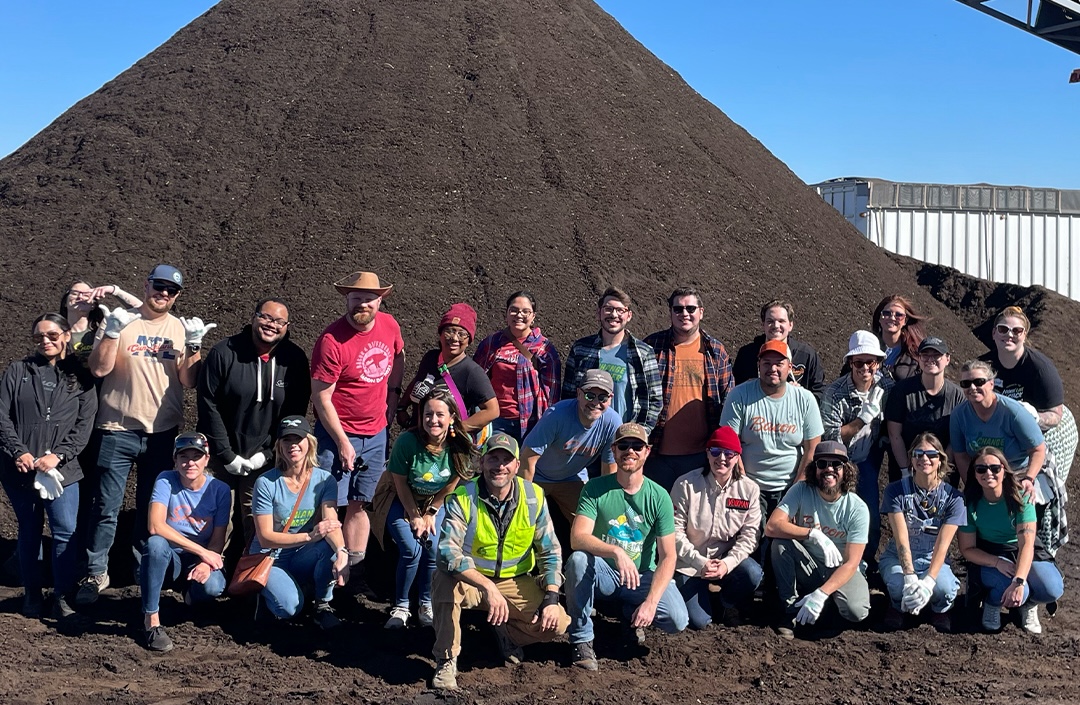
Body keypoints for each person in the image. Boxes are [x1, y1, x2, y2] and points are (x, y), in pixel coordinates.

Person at [78, 264, 215, 605]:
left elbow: (189, 380)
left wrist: (195, 344)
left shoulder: (178, 329)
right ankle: (96, 571)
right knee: (106, 506)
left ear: (177, 295)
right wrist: (111, 333)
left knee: (150, 507)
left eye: (171, 290)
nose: (163, 294)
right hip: (116, 429)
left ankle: (145, 568)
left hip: (161, 433)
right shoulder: (123, 321)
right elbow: (98, 369)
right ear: (146, 284)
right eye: (159, 286)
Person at [430, 433, 569, 691]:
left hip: (514, 582)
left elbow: (550, 551)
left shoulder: (534, 497)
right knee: (442, 579)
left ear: (517, 466)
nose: (500, 466)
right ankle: (447, 659)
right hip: (472, 581)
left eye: (507, 460)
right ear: (481, 462)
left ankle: (504, 632)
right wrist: (488, 587)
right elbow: (447, 552)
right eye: (493, 457)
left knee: (557, 623)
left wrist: (552, 597)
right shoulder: (463, 496)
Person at [565, 423, 688, 671]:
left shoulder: (659, 496)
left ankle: (630, 614)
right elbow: (577, 538)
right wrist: (615, 552)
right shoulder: (595, 489)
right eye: (623, 445)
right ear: (614, 450)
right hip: (606, 573)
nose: (629, 451)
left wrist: (651, 602)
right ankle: (582, 639)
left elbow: (668, 556)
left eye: (637, 446)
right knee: (578, 560)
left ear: (647, 452)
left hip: (641, 577)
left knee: (678, 620)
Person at [310, 271, 405, 589]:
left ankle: (356, 569)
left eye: (368, 299)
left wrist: (392, 397)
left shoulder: (390, 326)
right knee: (329, 503)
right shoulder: (332, 341)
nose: (362, 304)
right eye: (355, 299)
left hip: (375, 432)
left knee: (360, 501)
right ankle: (331, 569)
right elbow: (322, 398)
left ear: (380, 300)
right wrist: (341, 442)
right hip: (337, 433)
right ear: (346, 300)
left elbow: (399, 355)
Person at [0, 313, 96, 618]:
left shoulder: (81, 376)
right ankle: (32, 592)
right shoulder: (18, 371)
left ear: (66, 336)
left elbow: (84, 425)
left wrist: (59, 455)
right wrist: (18, 451)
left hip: (62, 472)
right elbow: (2, 417)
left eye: (52, 335)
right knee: (28, 530)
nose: (46, 341)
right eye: (39, 337)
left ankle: (62, 595)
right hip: (21, 469)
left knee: (65, 530)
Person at [197, 298, 310, 549]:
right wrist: (227, 455)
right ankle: (210, 576)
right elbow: (208, 405)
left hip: (265, 458)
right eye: (266, 317)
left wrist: (267, 454)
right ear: (254, 316)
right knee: (215, 518)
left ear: (287, 326)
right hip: (220, 455)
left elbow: (294, 416)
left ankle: (251, 579)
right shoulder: (224, 352)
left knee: (258, 521)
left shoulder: (294, 360)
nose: (272, 325)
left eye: (279, 321)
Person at [378, 389, 475, 630]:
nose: (433, 420)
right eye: (428, 414)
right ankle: (401, 606)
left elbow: (454, 482)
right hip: (400, 499)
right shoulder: (407, 442)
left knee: (433, 548)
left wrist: (431, 512)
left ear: (452, 417)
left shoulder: (460, 445)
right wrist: (414, 516)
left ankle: (425, 603)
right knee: (411, 549)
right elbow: (399, 482)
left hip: (435, 500)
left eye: (440, 414)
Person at [950, 360, 1067, 555]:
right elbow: (960, 455)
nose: (972, 388)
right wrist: (970, 483)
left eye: (979, 382)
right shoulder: (959, 415)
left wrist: (1029, 479)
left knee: (1024, 523)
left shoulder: (1012, 412)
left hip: (1018, 473)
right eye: (966, 384)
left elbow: (1038, 449)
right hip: (984, 473)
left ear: (991, 383)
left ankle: (1030, 561)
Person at [719, 340, 823, 555]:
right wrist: (745, 484)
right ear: (759, 365)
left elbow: (812, 447)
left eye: (779, 363)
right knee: (751, 542)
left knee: (785, 544)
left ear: (790, 367)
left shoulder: (805, 399)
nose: (772, 369)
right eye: (767, 363)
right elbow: (730, 443)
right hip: (750, 481)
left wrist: (797, 489)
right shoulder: (740, 395)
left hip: (790, 483)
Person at [251, 416, 349, 629]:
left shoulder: (325, 480)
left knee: (329, 546)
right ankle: (267, 593)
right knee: (289, 609)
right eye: (287, 440)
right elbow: (265, 537)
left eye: (298, 439)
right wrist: (308, 536)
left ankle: (322, 605)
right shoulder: (266, 483)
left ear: (310, 443)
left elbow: (330, 522)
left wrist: (343, 552)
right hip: (271, 556)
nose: (293, 445)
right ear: (279, 446)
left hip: (301, 554)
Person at [765, 441, 870, 639]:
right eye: (822, 464)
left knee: (857, 610)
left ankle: (825, 603)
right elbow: (772, 526)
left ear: (845, 470)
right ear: (814, 469)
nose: (829, 469)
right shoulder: (801, 490)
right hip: (809, 564)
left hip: (841, 569)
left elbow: (851, 562)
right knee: (780, 544)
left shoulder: (857, 508)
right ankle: (791, 610)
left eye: (836, 465)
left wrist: (822, 594)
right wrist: (812, 533)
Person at [140, 432, 230, 651]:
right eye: (183, 457)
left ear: (206, 459)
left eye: (196, 456)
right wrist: (203, 551)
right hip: (170, 557)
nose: (190, 462)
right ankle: (151, 619)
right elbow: (155, 526)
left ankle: (191, 595)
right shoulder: (166, 479)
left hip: (197, 559)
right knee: (155, 544)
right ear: (175, 460)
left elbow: (218, 539)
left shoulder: (220, 490)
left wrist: (206, 561)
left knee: (214, 586)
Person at [959, 446, 1064, 634]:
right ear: (974, 473)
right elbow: (967, 549)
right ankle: (992, 603)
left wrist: (1019, 580)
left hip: (1021, 547)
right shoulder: (970, 503)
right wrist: (996, 562)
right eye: (981, 469)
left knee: (1052, 588)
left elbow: (1026, 543)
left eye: (995, 468)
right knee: (1011, 588)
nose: (988, 473)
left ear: (1004, 470)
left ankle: (1029, 604)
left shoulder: (1021, 496)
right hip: (989, 552)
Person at [670, 426, 762, 629]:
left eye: (729, 453)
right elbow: (674, 533)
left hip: (725, 561)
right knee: (698, 623)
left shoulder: (749, 490)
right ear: (707, 453)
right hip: (690, 563)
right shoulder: (685, 485)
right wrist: (699, 562)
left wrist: (727, 564)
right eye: (715, 451)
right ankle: (703, 600)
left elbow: (750, 537)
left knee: (753, 573)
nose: (721, 458)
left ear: (737, 457)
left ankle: (726, 603)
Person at [643, 287, 734, 491]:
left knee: (695, 519)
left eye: (691, 308)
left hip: (699, 456)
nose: (685, 314)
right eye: (678, 309)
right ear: (671, 313)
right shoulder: (651, 346)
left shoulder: (715, 351)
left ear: (701, 312)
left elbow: (728, 399)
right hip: (657, 453)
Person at [981, 305, 1076, 494]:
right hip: (1004, 429)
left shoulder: (1041, 369)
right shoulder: (984, 367)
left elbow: (1056, 415)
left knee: (1042, 492)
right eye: (1003, 329)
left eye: (1016, 331)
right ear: (993, 333)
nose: (1009, 335)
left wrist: (1035, 417)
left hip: (1049, 433)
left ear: (1024, 335)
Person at [878, 433, 965, 632]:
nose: (924, 459)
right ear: (911, 458)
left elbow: (943, 545)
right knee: (898, 584)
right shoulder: (895, 491)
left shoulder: (954, 499)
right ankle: (896, 605)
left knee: (943, 588)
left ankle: (940, 610)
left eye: (931, 455)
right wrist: (909, 576)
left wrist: (929, 581)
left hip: (933, 558)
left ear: (941, 459)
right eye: (918, 454)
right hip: (899, 556)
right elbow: (901, 539)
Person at [821, 330, 893, 568]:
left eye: (870, 362)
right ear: (850, 363)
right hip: (840, 462)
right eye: (858, 362)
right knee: (838, 514)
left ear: (878, 363)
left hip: (869, 459)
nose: (865, 368)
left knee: (870, 515)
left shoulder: (887, 386)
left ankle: (866, 562)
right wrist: (861, 419)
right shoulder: (836, 392)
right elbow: (830, 436)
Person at [520, 369, 621, 523]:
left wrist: (605, 510)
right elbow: (527, 459)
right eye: (590, 395)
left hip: (572, 477)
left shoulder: (613, 423)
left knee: (591, 523)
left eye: (602, 397)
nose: (595, 402)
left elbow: (609, 471)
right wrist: (526, 500)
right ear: (579, 394)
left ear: (610, 399)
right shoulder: (556, 415)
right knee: (526, 519)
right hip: (538, 476)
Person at [562, 287, 662, 432]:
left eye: (620, 310)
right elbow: (569, 394)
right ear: (599, 313)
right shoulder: (581, 349)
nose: (614, 314)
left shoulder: (643, 353)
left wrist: (640, 433)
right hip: (585, 436)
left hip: (623, 439)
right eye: (608, 309)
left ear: (629, 315)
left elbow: (655, 399)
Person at [396, 303, 499, 439]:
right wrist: (402, 407)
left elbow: (493, 411)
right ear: (440, 334)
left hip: (447, 447)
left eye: (462, 334)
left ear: (469, 341)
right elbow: (419, 380)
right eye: (449, 331)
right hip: (417, 438)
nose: (455, 338)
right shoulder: (430, 358)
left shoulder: (471, 372)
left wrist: (457, 430)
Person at [473, 291, 561, 442]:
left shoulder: (544, 349)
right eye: (514, 310)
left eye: (526, 311)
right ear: (506, 314)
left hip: (530, 423)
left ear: (533, 316)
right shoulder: (492, 343)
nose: (519, 315)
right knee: (497, 464)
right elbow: (475, 379)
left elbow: (551, 393)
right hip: (496, 420)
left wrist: (548, 425)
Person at [885, 337, 964, 481]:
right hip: (906, 469)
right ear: (918, 358)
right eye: (925, 355)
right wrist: (905, 471)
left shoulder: (957, 396)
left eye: (936, 355)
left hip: (943, 473)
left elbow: (956, 439)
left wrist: (941, 472)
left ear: (947, 359)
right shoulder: (902, 390)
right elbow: (894, 434)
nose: (930, 359)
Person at [731, 299, 826, 402]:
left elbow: (820, 392)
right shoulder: (746, 354)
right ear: (763, 325)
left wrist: (802, 396)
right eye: (770, 321)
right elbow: (735, 389)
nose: (776, 326)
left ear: (790, 325)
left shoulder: (806, 355)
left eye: (781, 321)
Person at [59, 281, 141, 366]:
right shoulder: (54, 332)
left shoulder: (105, 329)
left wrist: (114, 291)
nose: (80, 297)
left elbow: (141, 310)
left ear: (93, 305)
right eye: (75, 293)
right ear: (65, 302)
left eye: (86, 295)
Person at [869, 294, 926, 382]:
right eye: (887, 313)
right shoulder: (866, 347)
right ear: (879, 318)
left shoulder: (915, 354)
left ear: (905, 321)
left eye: (898, 315)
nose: (892, 318)